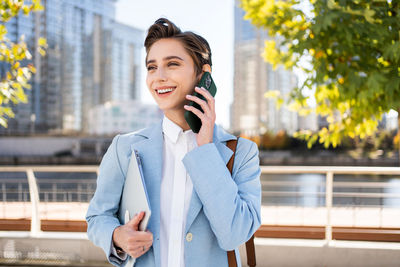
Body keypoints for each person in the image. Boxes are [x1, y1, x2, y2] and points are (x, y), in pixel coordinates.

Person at [86, 18, 261, 267]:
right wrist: (117, 236)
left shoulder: (241, 152)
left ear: (203, 75)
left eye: (172, 64)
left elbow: (234, 234)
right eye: (151, 67)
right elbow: (97, 217)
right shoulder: (124, 148)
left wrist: (205, 149)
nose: (159, 77)